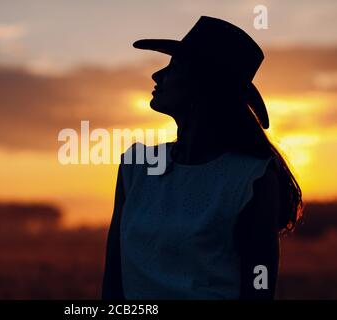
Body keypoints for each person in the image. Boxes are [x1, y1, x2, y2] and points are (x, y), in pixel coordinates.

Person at [101, 16, 303, 300]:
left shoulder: (250, 179)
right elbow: (113, 279)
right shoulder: (136, 166)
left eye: (174, 68)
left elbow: (259, 287)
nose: (157, 76)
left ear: (202, 85)